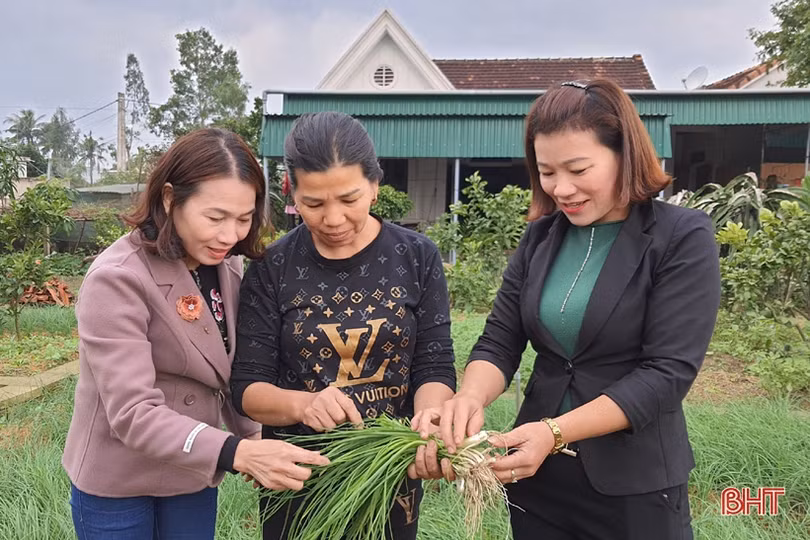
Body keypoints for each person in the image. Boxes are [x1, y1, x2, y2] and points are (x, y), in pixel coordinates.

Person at [414, 79, 721, 539]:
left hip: (634, 484)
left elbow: (667, 373)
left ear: (624, 153)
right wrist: (469, 399)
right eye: (547, 172)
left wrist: (555, 433)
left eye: (578, 169)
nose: (561, 188)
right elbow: (500, 340)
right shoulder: (540, 239)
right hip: (537, 479)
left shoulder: (679, 237)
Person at [63, 128, 329, 540]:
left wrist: (259, 440)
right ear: (170, 199)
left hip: (189, 471)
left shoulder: (226, 267)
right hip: (118, 479)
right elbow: (132, 414)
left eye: (244, 219)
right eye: (215, 217)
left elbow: (232, 373)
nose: (230, 235)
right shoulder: (117, 279)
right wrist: (239, 453)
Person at [230, 111, 457, 540]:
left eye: (349, 199)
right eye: (313, 204)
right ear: (292, 193)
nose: (332, 219)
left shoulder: (417, 257)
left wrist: (429, 415)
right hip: (297, 476)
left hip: (389, 471)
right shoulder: (271, 266)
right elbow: (247, 389)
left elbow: (435, 365)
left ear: (374, 184)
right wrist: (304, 405)